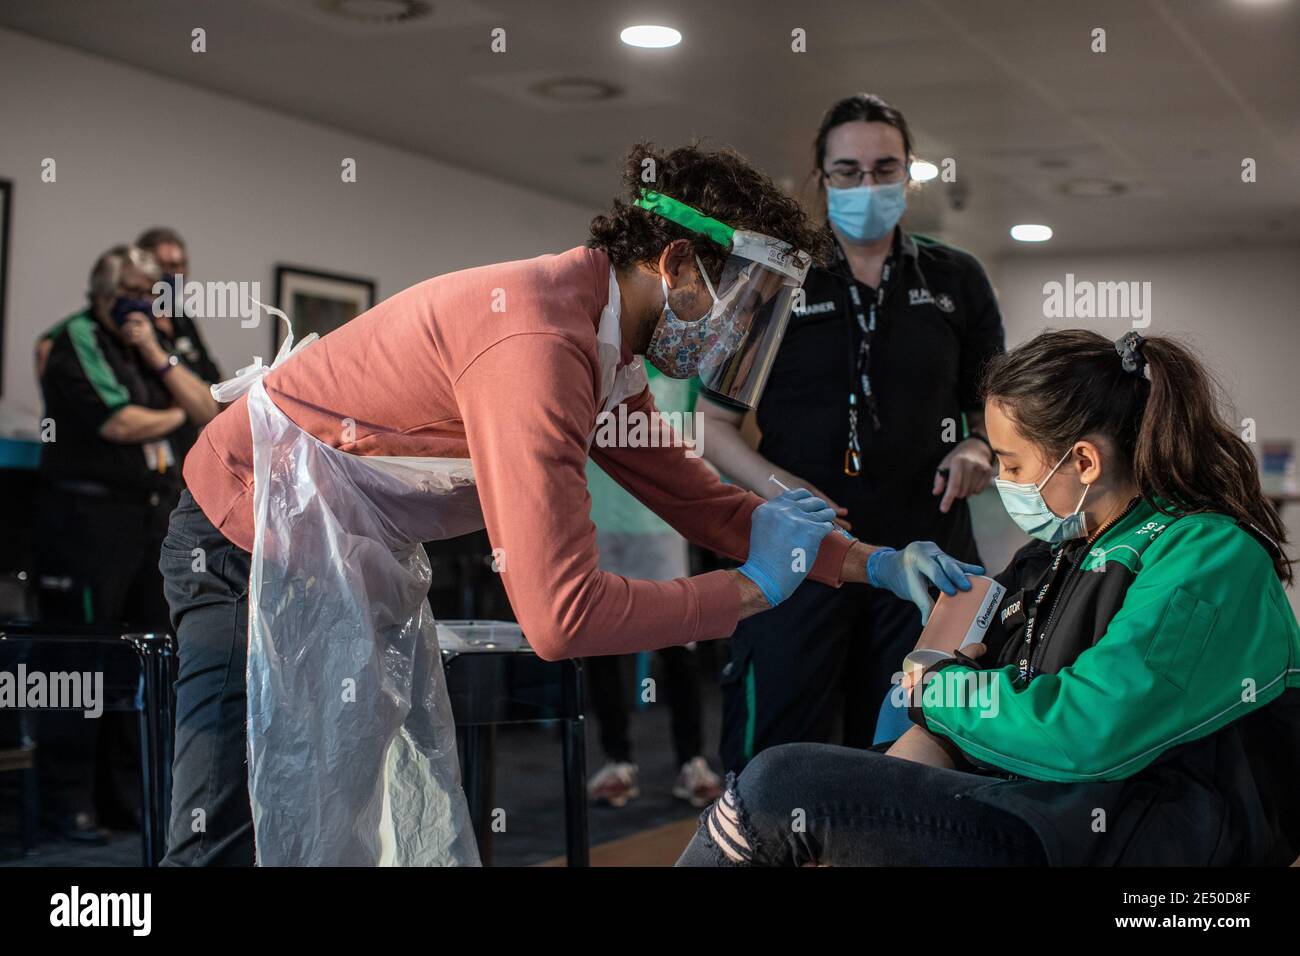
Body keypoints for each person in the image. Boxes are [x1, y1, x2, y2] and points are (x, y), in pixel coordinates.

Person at [159, 141, 982, 865]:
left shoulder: (600, 336)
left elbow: (699, 501)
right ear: (678, 265)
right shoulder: (540, 345)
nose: (737, 334)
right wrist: (749, 591)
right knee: (231, 823)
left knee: (327, 813)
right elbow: (563, 618)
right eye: (745, 303)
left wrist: (875, 562)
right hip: (242, 536)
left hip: (335, 546)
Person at [677, 330, 1300, 867]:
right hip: (1037, 804)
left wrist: (943, 691)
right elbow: (939, 693)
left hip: (1136, 835)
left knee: (778, 786)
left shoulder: (1208, 554)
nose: (1001, 483)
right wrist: (881, 790)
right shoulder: (1056, 551)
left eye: (1011, 464)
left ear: (1082, 460)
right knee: (793, 791)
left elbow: (1087, 728)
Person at [700, 94, 1005, 774]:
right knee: (776, 758)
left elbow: (998, 412)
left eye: (884, 168)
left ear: (907, 172)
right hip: (802, 557)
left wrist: (980, 446)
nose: (867, 186)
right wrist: (787, 489)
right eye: (847, 171)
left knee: (912, 760)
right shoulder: (771, 279)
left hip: (929, 560)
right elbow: (713, 428)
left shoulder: (957, 279)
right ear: (821, 179)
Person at [32, 244, 219, 843]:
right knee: (77, 662)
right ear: (107, 296)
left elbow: (210, 411)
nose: (146, 301)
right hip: (88, 521)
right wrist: (177, 409)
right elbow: (119, 422)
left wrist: (154, 356)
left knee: (143, 661)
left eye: (153, 290)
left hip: (150, 519)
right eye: (135, 291)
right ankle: (69, 802)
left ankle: (128, 799)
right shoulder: (76, 337)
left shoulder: (154, 342)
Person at [583, 364, 722, 808]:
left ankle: (691, 762)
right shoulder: (593, 359)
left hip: (662, 527)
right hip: (597, 520)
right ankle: (616, 761)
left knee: (680, 648)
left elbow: (708, 435)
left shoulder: (684, 370)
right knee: (602, 648)